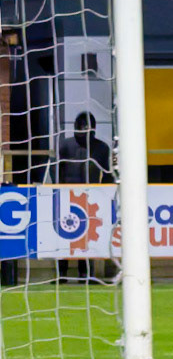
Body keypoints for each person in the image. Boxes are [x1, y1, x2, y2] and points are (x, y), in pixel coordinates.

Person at [55, 111, 113, 282]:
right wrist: (58, 190)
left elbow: (108, 173)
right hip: (66, 196)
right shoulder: (65, 145)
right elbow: (57, 170)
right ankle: (62, 273)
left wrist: (104, 193)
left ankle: (85, 273)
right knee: (63, 237)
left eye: (87, 129)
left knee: (87, 237)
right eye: (82, 128)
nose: (84, 132)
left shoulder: (102, 148)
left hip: (91, 198)